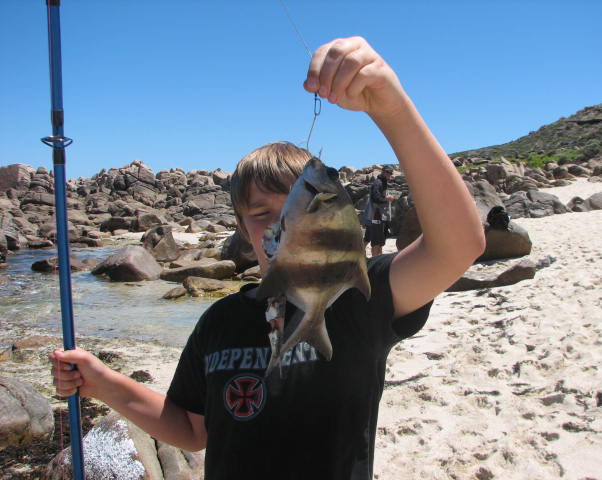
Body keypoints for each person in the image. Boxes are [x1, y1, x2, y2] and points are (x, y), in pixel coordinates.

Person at [50, 37, 485, 479]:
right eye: (261, 214)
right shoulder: (218, 322)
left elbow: (458, 246)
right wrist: (105, 383)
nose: (282, 226)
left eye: (300, 209)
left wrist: (390, 107)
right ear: (242, 230)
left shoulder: (359, 299)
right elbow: (190, 428)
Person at [364, 165, 395, 256]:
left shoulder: (383, 183)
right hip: (376, 216)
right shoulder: (378, 183)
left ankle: (377, 259)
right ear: (383, 172)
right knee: (376, 242)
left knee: (379, 241)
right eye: (387, 172)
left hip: (379, 217)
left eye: (390, 173)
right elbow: (375, 198)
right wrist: (387, 199)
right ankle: (375, 262)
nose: (389, 174)